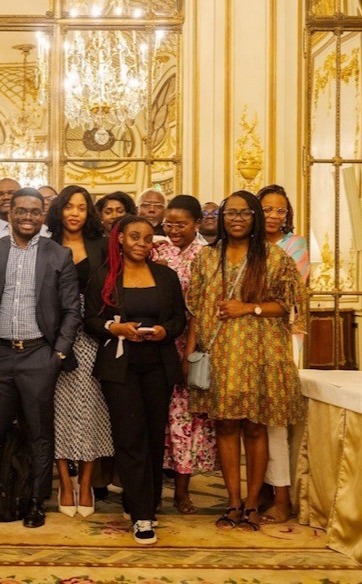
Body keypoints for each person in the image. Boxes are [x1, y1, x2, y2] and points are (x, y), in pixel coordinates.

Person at [184, 191, 306, 533]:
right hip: (220, 356)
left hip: (259, 355)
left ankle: (252, 503)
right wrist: (190, 354)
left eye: (245, 213)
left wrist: (248, 308)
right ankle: (233, 503)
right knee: (225, 426)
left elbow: (288, 306)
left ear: (255, 218)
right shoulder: (207, 258)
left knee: (254, 427)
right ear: (222, 218)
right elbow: (196, 311)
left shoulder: (275, 257)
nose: (237, 219)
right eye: (231, 213)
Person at [0, 188, 80, 529]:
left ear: (43, 216)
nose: (27, 217)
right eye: (21, 210)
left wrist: (58, 353)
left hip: (38, 355)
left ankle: (36, 501)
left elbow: (71, 309)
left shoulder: (58, 254)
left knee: (39, 433)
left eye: (34, 211)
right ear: (9, 214)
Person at [86, 215, 187, 545]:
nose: (142, 243)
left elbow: (179, 320)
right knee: (130, 437)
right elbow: (90, 320)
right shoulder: (104, 276)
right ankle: (142, 515)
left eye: (147, 238)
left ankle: (145, 502)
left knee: (154, 436)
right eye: (134, 237)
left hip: (158, 364)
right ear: (120, 239)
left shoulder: (166, 276)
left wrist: (163, 331)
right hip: (120, 366)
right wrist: (115, 328)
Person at [45, 185, 113, 518]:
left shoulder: (101, 245)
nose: (75, 213)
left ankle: (86, 483)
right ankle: (64, 481)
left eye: (82, 207)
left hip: (92, 335)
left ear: (89, 213)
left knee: (91, 410)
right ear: (59, 210)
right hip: (53, 335)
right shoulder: (46, 244)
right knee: (57, 410)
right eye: (69, 206)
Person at [157, 196, 217, 515]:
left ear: (197, 223)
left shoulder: (207, 255)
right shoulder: (157, 250)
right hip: (158, 341)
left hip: (193, 345)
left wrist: (189, 351)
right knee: (158, 417)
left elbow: (203, 307)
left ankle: (182, 491)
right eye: (169, 224)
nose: (174, 230)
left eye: (181, 224)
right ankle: (152, 487)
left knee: (186, 420)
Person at [256, 184, 310, 525]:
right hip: (249, 337)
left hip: (283, 338)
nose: (274, 216)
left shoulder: (295, 245)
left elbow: (289, 294)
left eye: (280, 210)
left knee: (275, 418)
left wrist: (253, 303)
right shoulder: (247, 244)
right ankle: (261, 488)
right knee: (254, 419)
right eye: (267, 210)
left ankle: (282, 497)